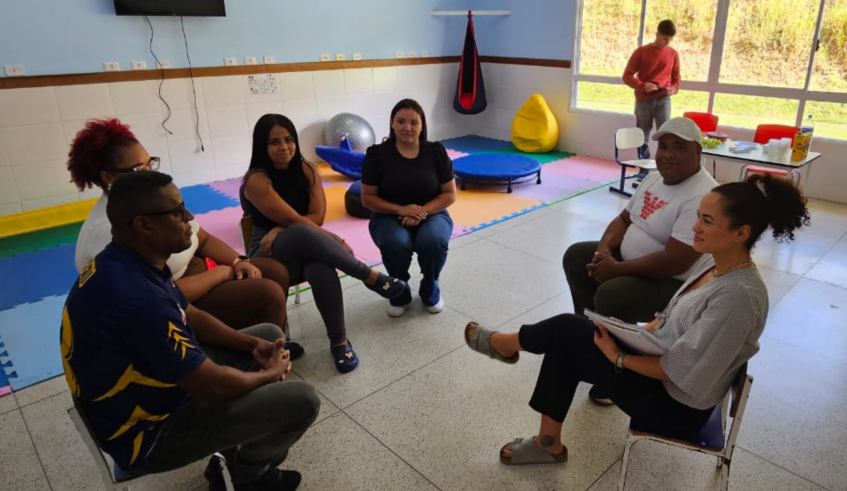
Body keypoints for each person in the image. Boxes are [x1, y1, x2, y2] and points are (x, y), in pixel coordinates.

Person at [465, 172, 810, 466]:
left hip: (674, 405)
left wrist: (617, 355)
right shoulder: (713, 263)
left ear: (741, 233)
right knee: (572, 336)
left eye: (707, 220)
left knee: (568, 332)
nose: (694, 228)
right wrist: (636, 332)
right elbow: (675, 321)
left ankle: (507, 347)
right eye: (698, 216)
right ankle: (546, 441)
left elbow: (681, 372)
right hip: (661, 368)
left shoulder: (739, 296)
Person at [61, 171, 320, 491]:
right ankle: (249, 473)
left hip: (145, 388)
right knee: (303, 400)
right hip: (148, 436)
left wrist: (250, 344)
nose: (190, 217)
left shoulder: (129, 261)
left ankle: (237, 448)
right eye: (177, 212)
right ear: (143, 225)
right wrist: (270, 374)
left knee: (266, 334)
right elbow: (211, 385)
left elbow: (190, 314)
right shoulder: (137, 298)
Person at [68, 118, 305, 361]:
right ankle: (253, 358)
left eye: (152, 164)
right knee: (267, 293)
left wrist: (236, 261)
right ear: (109, 178)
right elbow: (157, 295)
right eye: (141, 169)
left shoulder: (150, 198)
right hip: (176, 300)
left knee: (276, 270)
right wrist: (222, 273)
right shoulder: (111, 229)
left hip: (200, 274)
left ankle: (271, 344)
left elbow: (201, 238)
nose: (151, 173)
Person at [563, 116, 717, 404]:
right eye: (664, 146)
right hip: (637, 264)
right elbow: (624, 218)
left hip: (676, 285)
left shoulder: (701, 197)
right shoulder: (655, 177)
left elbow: (676, 262)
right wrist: (604, 251)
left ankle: (615, 372)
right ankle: (588, 336)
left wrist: (616, 269)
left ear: (698, 153)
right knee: (577, 257)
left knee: (613, 294)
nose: (668, 154)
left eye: (679, 147)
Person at [240, 113, 408, 374]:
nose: (283, 147)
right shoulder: (256, 179)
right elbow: (296, 219)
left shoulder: (307, 170)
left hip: (304, 243)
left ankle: (339, 341)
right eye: (274, 142)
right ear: (262, 146)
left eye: (288, 140)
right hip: (268, 253)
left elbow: (316, 218)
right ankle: (368, 275)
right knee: (300, 234)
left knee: (319, 265)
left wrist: (282, 227)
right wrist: (332, 238)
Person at [361, 99, 457, 317]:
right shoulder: (377, 156)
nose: (407, 127)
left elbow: (449, 194)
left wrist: (420, 212)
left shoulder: (436, 152)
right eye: (401, 121)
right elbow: (368, 199)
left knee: (432, 241)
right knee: (396, 243)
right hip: (388, 215)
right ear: (392, 124)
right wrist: (401, 210)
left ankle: (430, 286)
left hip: (432, 212)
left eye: (414, 122)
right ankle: (398, 291)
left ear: (422, 125)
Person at [623, 19, 680, 159]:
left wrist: (673, 89)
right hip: (644, 99)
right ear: (657, 34)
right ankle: (644, 169)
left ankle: (663, 167)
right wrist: (643, 86)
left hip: (664, 99)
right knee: (642, 135)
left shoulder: (673, 54)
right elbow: (627, 76)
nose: (667, 42)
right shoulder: (641, 52)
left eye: (670, 39)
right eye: (665, 38)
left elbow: (677, 79)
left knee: (665, 135)